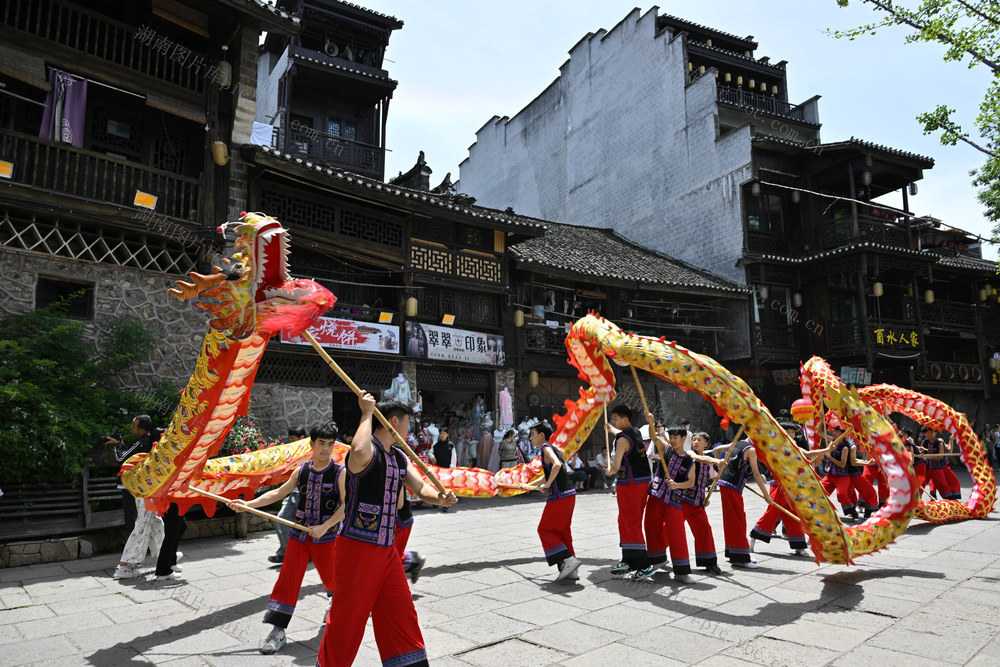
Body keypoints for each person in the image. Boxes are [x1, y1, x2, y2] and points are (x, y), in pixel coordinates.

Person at [318, 395, 457, 667]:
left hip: (387, 550)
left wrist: (439, 498)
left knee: (401, 612)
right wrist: (366, 413)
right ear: (394, 421)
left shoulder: (399, 457)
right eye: (407, 422)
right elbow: (358, 453)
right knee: (347, 622)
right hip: (357, 548)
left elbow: (420, 488)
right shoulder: (368, 451)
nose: (410, 429)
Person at [229, 421, 345, 655]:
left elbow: (346, 505)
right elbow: (277, 493)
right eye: (321, 443)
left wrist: (325, 526)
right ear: (311, 444)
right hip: (299, 535)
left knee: (332, 579)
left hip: (327, 537)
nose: (325, 449)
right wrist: (248, 505)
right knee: (288, 579)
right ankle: (278, 629)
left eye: (330, 444)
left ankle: (334, 603)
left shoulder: (340, 473)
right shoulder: (301, 471)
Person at [749, 422, 831, 556]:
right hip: (779, 487)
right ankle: (752, 536)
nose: (791, 434)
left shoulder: (795, 447)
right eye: (788, 431)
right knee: (772, 513)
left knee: (793, 514)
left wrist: (826, 450)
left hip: (792, 487)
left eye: (793, 432)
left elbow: (808, 453)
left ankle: (798, 546)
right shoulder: (774, 447)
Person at [109, 415, 165, 579]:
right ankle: (125, 565)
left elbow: (121, 458)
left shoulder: (145, 446)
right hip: (142, 490)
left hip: (140, 489)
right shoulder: (149, 452)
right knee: (141, 524)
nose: (132, 428)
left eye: (134, 426)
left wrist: (118, 445)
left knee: (153, 522)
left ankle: (166, 555)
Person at [663, 429, 722, 582]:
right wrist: (717, 461)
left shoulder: (706, 458)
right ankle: (656, 554)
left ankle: (709, 562)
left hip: (697, 503)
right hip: (682, 500)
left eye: (699, 440)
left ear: (706, 444)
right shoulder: (690, 454)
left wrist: (704, 498)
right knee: (669, 529)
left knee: (704, 529)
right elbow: (700, 459)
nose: (695, 442)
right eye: (694, 439)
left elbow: (705, 480)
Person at [605, 404, 654, 580]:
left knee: (630, 522)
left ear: (625, 419)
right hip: (641, 483)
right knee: (626, 520)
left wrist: (608, 470)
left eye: (615, 419)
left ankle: (644, 564)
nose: (613, 421)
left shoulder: (622, 440)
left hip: (630, 484)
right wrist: (610, 429)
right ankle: (629, 559)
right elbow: (620, 434)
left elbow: (616, 466)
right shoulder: (635, 432)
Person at [711, 434, 774, 568]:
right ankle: (741, 558)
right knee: (738, 520)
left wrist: (720, 471)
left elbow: (716, 451)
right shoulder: (750, 450)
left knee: (732, 519)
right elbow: (757, 474)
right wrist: (766, 495)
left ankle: (733, 552)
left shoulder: (736, 442)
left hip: (725, 483)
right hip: (732, 486)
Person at [529, 421, 581, 581]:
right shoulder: (552, 448)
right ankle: (572, 571)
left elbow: (557, 465)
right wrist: (531, 485)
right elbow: (550, 472)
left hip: (560, 496)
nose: (530, 438)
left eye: (532, 434)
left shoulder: (546, 447)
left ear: (541, 435)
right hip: (568, 494)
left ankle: (568, 560)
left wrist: (548, 484)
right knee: (563, 531)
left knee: (544, 530)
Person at [268, 426, 309, 564]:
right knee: (282, 519)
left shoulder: (312, 450)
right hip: (293, 493)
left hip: (311, 496)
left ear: (302, 438)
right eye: (289, 439)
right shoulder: (290, 452)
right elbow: (279, 492)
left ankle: (307, 553)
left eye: (293, 439)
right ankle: (284, 551)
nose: (290, 442)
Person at [922, 426, 962, 500]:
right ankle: (916, 500)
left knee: (943, 483)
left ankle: (949, 499)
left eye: (931, 432)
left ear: (936, 432)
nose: (929, 434)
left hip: (938, 467)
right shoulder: (925, 442)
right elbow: (921, 453)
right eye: (927, 432)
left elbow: (945, 453)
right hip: (927, 467)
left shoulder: (939, 441)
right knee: (921, 483)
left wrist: (951, 440)